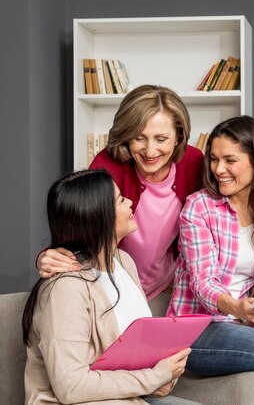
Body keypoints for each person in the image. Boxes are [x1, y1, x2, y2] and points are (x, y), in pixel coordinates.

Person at [36, 85, 254, 300]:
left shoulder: (194, 162)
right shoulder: (108, 165)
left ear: (179, 136)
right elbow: (80, 219)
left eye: (161, 139)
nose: (150, 151)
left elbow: (230, 191)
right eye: (139, 138)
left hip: (168, 289)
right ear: (126, 137)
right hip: (115, 286)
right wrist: (49, 254)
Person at [22, 169, 200, 405]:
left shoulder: (124, 262)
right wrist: (155, 376)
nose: (129, 202)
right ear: (98, 217)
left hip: (126, 397)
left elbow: (138, 354)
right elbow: (71, 386)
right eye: (119, 199)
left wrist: (163, 377)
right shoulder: (65, 289)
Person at [167, 116, 254, 405]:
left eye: (230, 160)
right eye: (214, 159)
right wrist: (237, 308)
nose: (219, 170)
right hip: (196, 330)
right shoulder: (199, 208)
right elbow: (203, 282)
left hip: (246, 329)